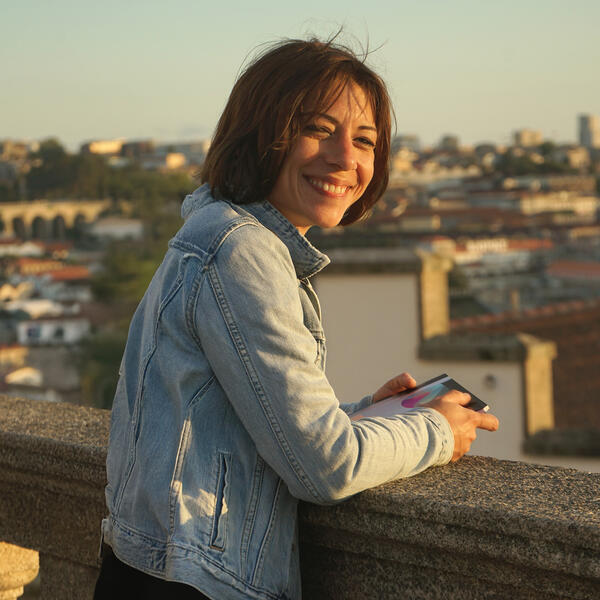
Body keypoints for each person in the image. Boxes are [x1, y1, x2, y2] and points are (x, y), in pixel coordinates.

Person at [94, 37, 499, 600]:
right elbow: (325, 467)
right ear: (262, 134)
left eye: (365, 140)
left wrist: (362, 414)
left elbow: (240, 424)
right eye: (318, 129)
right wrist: (436, 431)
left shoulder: (218, 233)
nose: (346, 157)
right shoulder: (242, 251)